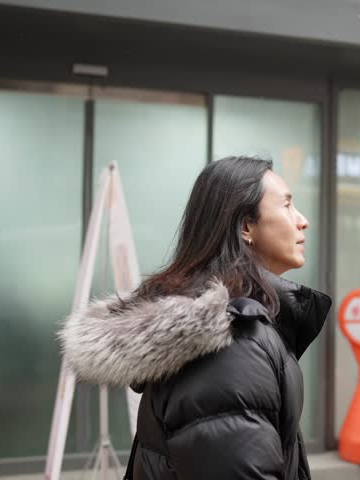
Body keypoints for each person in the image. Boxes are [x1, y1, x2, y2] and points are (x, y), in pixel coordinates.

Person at [59, 156, 332, 479]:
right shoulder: (233, 344)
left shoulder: (234, 329)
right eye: (286, 206)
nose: (302, 221)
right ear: (246, 227)